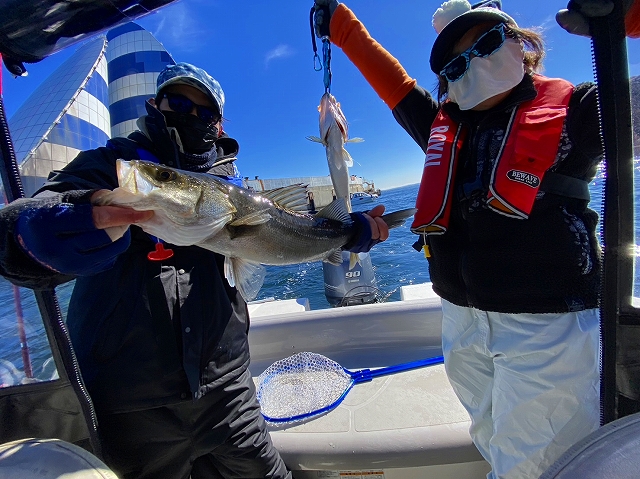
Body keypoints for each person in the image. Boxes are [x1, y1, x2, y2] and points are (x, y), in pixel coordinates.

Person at [0, 62, 389, 479]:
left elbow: (295, 228)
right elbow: (14, 240)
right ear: (155, 103)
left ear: (218, 127)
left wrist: (349, 232)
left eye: (205, 112)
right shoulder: (110, 164)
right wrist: (65, 224)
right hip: (127, 405)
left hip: (230, 393)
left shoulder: (232, 190)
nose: (190, 115)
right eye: (178, 102)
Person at [313, 1, 603, 477]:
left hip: (546, 325)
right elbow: (396, 85)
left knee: (539, 463)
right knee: (489, 434)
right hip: (460, 318)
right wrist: (342, 28)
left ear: (522, 45)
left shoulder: (580, 111)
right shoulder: (441, 126)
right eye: (455, 64)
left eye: (488, 43)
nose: (474, 64)